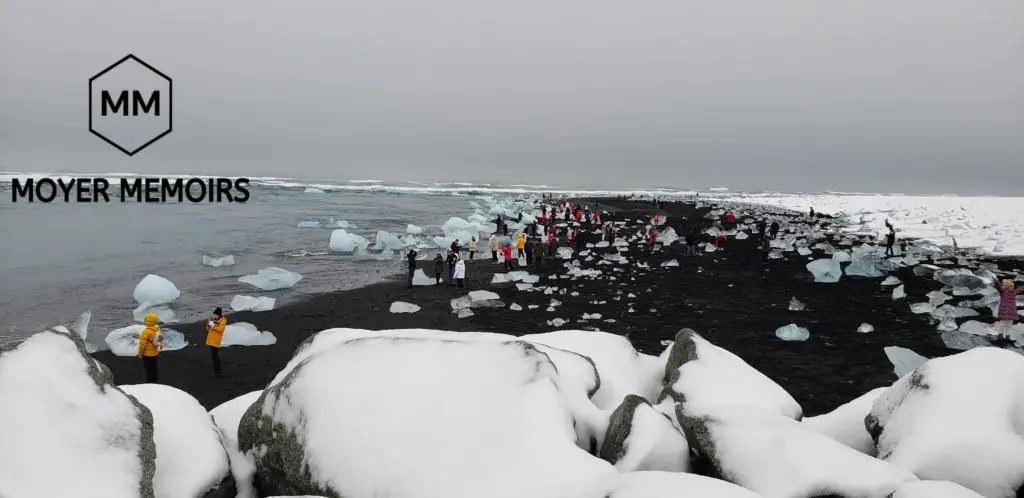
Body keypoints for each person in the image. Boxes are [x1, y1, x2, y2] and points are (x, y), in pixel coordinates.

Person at [137, 312, 163, 383]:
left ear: (147, 321)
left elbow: (142, 345)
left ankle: (150, 384)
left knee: (148, 370)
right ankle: (155, 380)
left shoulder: (145, 332)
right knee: (154, 368)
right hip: (155, 353)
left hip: (147, 355)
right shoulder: (157, 328)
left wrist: (140, 353)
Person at [205, 308, 227, 376]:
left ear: (219, 315)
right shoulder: (214, 320)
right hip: (211, 340)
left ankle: (218, 372)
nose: (214, 316)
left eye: (215, 314)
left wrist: (212, 325)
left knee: (215, 356)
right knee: (214, 356)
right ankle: (217, 372)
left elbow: (220, 329)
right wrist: (208, 324)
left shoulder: (223, 320)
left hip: (216, 340)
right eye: (213, 314)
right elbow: (208, 330)